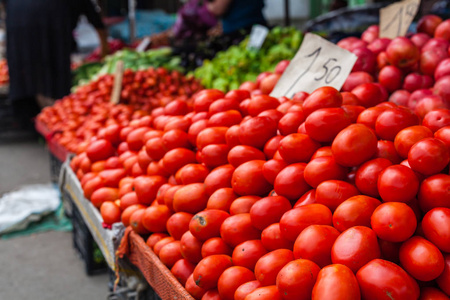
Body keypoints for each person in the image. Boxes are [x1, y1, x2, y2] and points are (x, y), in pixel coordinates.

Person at [4, 0, 108, 128]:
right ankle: (53, 118)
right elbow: (95, 18)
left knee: (29, 69)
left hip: (20, 24)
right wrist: (105, 49)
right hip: (49, 26)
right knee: (50, 74)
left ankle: (41, 117)